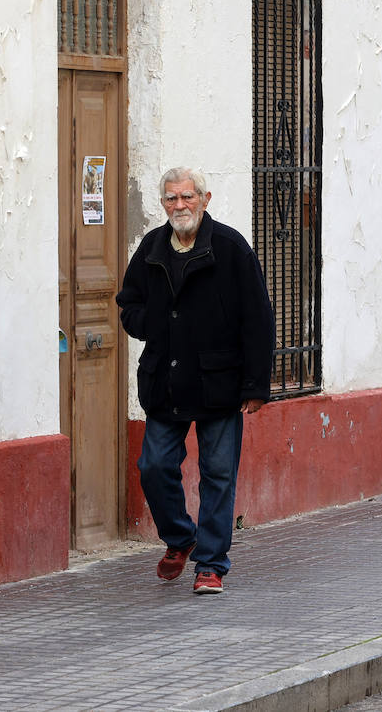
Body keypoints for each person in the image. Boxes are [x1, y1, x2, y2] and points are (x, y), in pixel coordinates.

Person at [115, 167, 274, 594]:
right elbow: (128, 303)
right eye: (171, 198)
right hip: (165, 381)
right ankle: (181, 537)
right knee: (153, 467)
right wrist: (152, 324)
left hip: (219, 382)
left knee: (218, 474)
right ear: (163, 203)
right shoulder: (151, 247)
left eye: (187, 197)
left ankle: (211, 563)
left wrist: (256, 385)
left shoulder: (230, 247)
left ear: (205, 199)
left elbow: (258, 318)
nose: (180, 205)